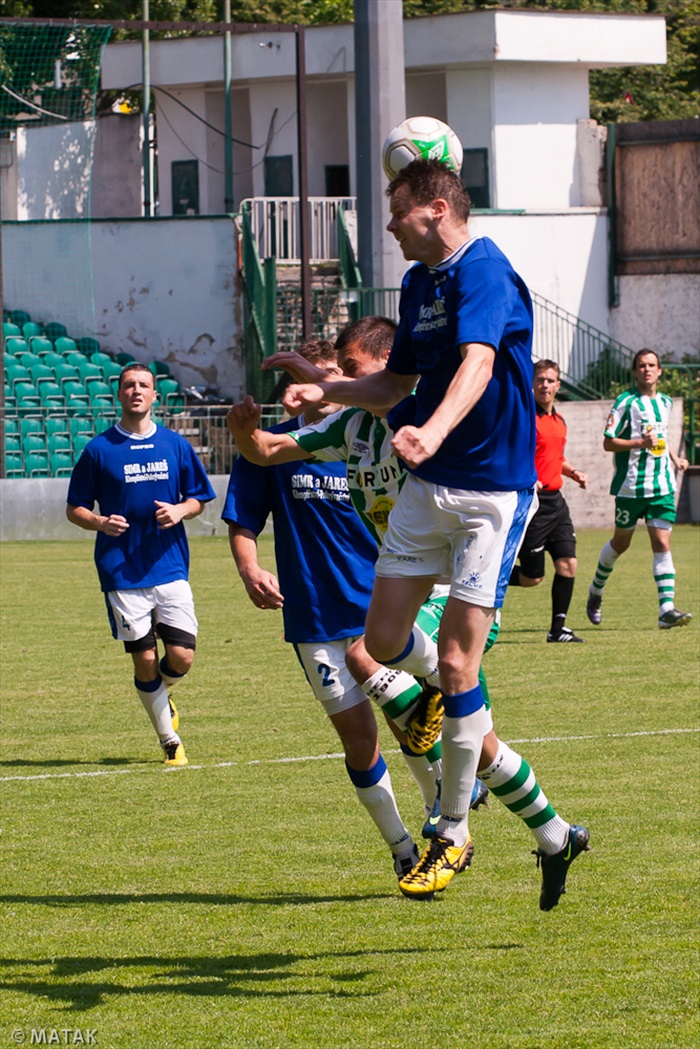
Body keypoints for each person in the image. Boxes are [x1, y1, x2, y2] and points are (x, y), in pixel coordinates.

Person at [239, 310, 588, 911]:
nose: (344, 382)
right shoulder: (349, 428)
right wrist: (245, 430)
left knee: (367, 650)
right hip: (412, 590)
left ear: (387, 368)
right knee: (484, 745)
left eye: (352, 370)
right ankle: (557, 836)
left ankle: (448, 829)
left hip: (460, 590)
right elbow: (268, 450)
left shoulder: (428, 415)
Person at [223, 337, 452, 889]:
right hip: (314, 615)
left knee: (411, 723)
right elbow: (243, 520)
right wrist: (250, 569)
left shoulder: (367, 435)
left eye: (337, 374)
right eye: (319, 376)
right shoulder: (277, 446)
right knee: (359, 739)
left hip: (381, 603)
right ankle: (401, 847)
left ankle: (443, 815)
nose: (326, 385)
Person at [66, 362, 216, 766]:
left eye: (143, 385)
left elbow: (200, 497)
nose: (136, 390)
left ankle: (159, 697)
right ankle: (170, 742)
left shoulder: (175, 445)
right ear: (119, 394)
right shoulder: (99, 449)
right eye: (129, 385)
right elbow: (74, 508)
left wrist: (181, 510)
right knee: (145, 659)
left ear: (154, 396)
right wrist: (100, 521)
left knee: (182, 657)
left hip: (170, 565)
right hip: (121, 570)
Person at [587, 348, 692, 630]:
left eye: (652, 365)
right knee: (621, 544)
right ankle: (596, 590)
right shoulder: (625, 402)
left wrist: (675, 458)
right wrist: (639, 444)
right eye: (642, 365)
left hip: (662, 486)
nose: (647, 369)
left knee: (662, 543)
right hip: (631, 487)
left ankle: (666, 609)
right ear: (635, 372)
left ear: (659, 371)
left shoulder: (667, 402)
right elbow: (608, 442)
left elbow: (662, 437)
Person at [509, 359, 589, 643]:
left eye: (550, 380)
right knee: (533, 578)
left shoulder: (559, 421)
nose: (545, 385)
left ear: (558, 385)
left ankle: (558, 630)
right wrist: (530, 478)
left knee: (568, 564)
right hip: (533, 504)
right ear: (532, 383)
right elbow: (515, 455)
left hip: (557, 503)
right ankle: (488, 576)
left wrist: (574, 472)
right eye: (540, 379)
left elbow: (555, 458)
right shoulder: (525, 418)